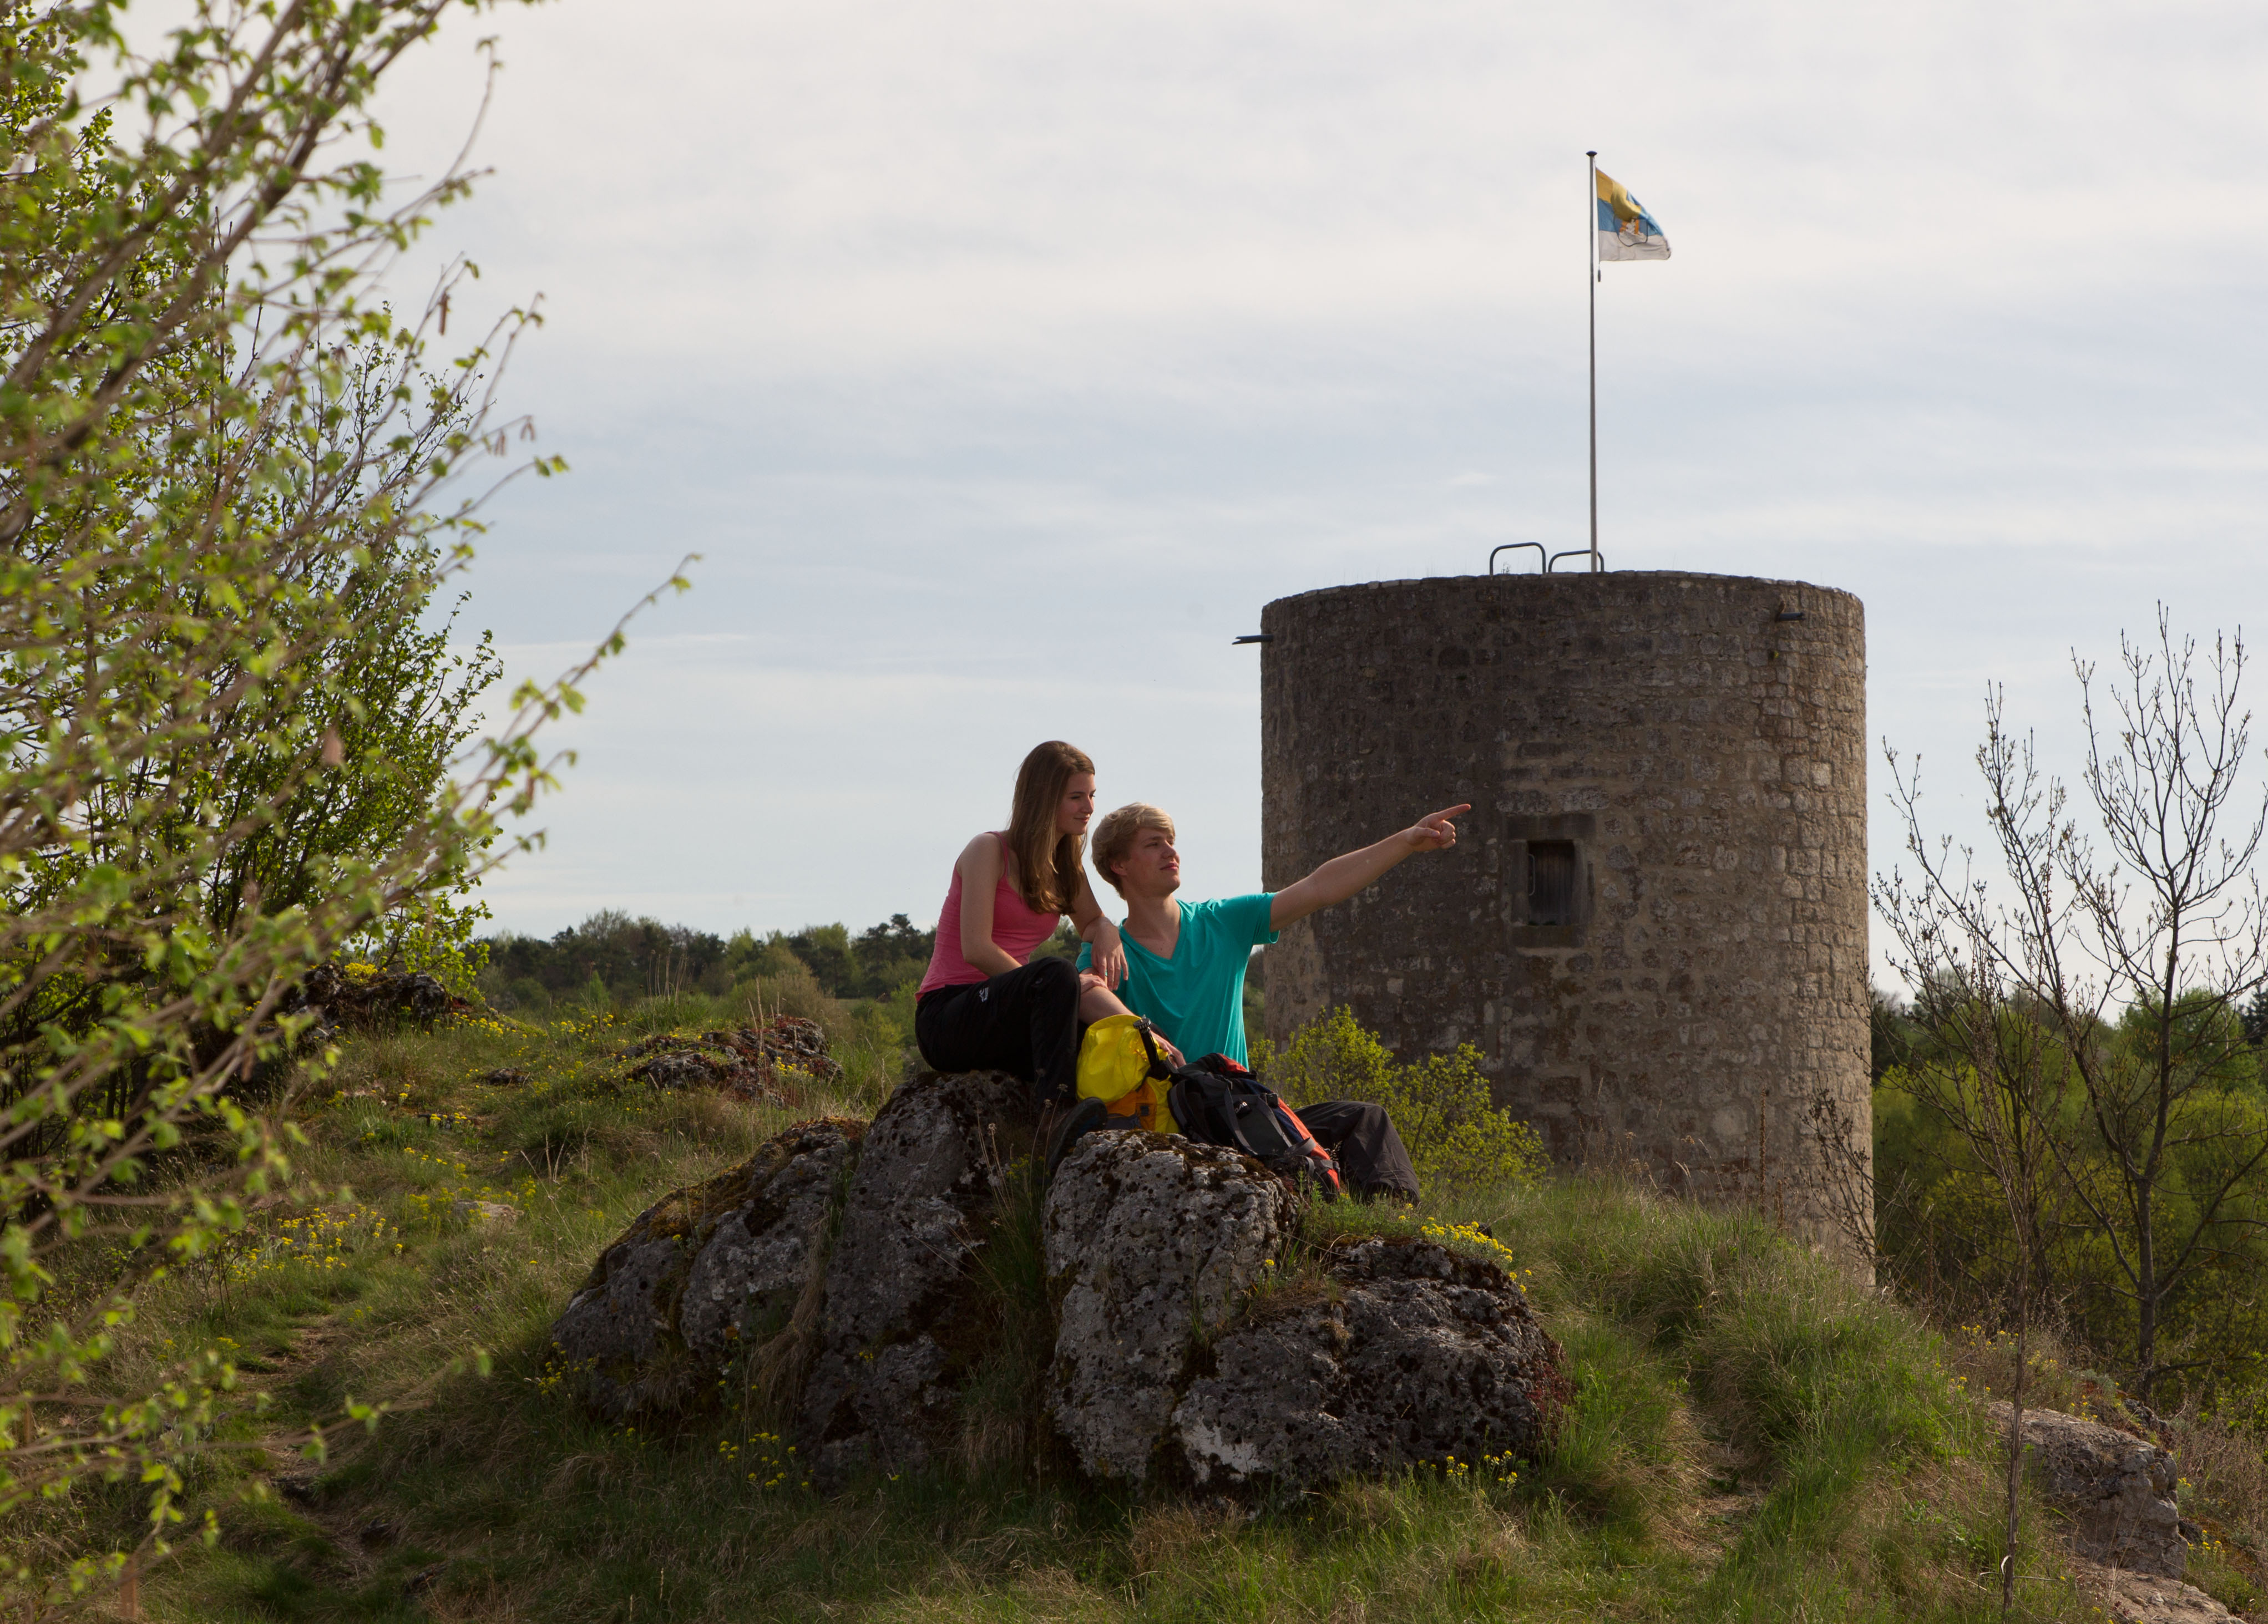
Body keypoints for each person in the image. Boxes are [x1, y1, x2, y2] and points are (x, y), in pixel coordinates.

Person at [1072, 799, 1471, 1200]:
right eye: (1154, 844)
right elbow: (1085, 994)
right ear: (1119, 865)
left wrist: (1405, 841)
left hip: (1245, 1113)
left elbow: (1318, 888)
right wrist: (1144, 1031)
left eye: (1171, 842)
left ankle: (1395, 1228)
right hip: (1174, 1119)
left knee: (1364, 1120)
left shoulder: (1222, 922)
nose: (1171, 852)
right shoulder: (1112, 950)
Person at [913, 740, 1133, 1112]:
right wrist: (1051, 988)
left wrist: (1108, 930)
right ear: (1045, 798)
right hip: (949, 1015)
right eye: (1077, 797)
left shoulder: (1065, 867)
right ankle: (1056, 1115)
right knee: (1058, 975)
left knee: (1095, 1038)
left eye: (1092, 795)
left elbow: (1092, 922)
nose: (1090, 808)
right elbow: (977, 948)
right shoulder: (989, 850)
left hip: (1010, 1012)